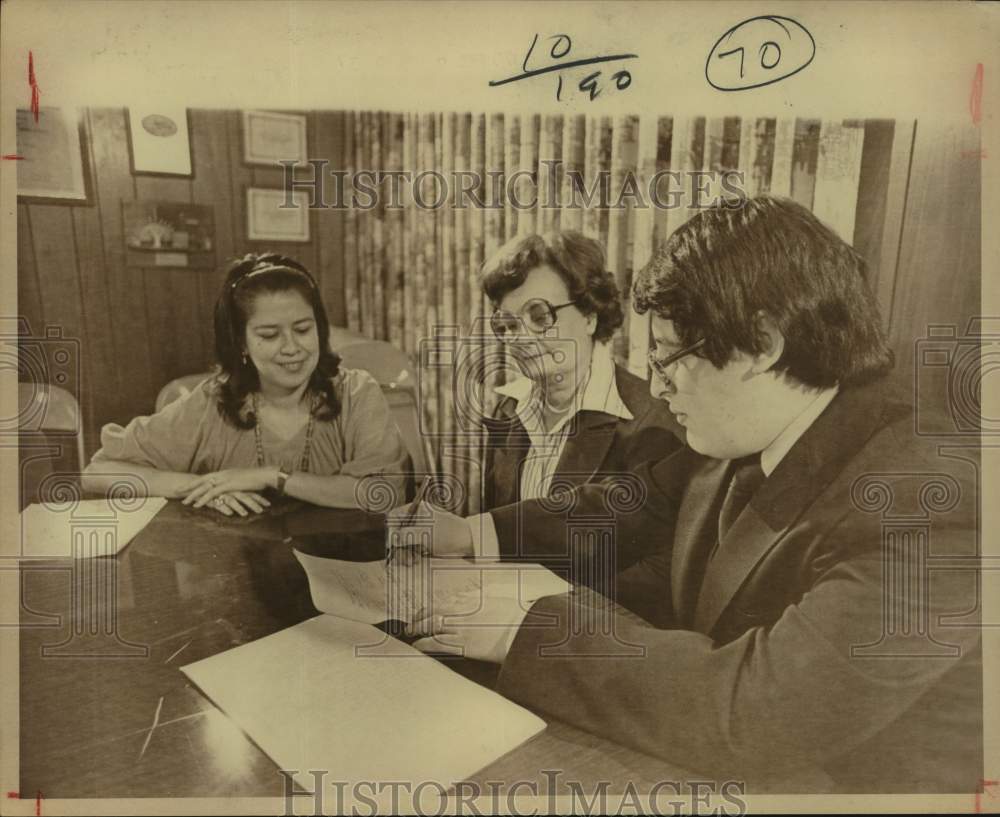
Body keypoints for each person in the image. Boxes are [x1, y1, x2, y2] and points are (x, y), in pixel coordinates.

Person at [397, 197, 982, 792]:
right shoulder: (753, 426)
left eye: (669, 356)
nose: (656, 386)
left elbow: (760, 714)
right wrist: (472, 534)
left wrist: (522, 632)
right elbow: (630, 503)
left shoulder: (929, 505)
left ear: (762, 344)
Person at [397, 230, 681, 572]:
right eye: (508, 325)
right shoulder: (508, 409)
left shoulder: (655, 422)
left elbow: (652, 574)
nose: (522, 338)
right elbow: (501, 542)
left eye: (540, 315)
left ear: (590, 315)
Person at [83, 253, 409, 515]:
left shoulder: (356, 392)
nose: (292, 347)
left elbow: (382, 492)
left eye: (303, 329)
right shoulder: (210, 402)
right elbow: (99, 471)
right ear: (241, 343)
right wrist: (204, 487)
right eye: (269, 335)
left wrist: (272, 477)